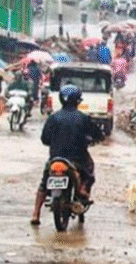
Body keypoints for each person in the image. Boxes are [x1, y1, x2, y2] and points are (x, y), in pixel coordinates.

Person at [30, 85, 104, 226]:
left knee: (44, 183)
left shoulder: (53, 117)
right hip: (77, 160)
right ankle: (82, 189)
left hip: (55, 158)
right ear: (78, 101)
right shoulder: (83, 118)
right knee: (89, 170)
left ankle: (35, 213)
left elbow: (44, 139)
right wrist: (94, 139)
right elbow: (97, 135)